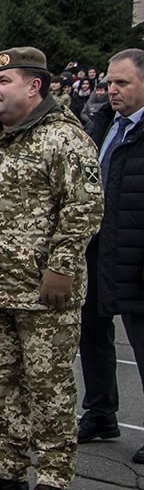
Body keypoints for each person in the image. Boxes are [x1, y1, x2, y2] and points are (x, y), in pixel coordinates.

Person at [0, 47, 103, 490]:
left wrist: (63, 265)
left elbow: (83, 208)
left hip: (43, 290)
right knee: (0, 379)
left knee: (48, 383)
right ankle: (8, 464)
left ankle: (54, 473)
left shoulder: (64, 139)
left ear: (35, 87)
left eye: (4, 82)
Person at [77, 48, 144, 466]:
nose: (111, 90)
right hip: (99, 249)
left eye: (123, 83)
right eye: (109, 83)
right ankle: (100, 412)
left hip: (136, 252)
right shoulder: (102, 125)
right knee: (92, 335)